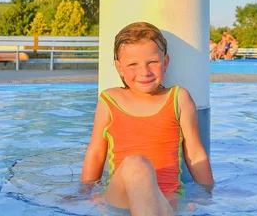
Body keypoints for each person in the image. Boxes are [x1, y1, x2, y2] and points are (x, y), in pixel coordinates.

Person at [81, 22, 214, 214]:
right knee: (136, 164)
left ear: (165, 62)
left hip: (167, 198)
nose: (144, 71)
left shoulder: (178, 98)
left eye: (152, 62)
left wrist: (207, 193)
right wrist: (85, 192)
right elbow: (95, 152)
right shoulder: (109, 100)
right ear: (119, 68)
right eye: (133, 64)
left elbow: (195, 153)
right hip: (121, 197)